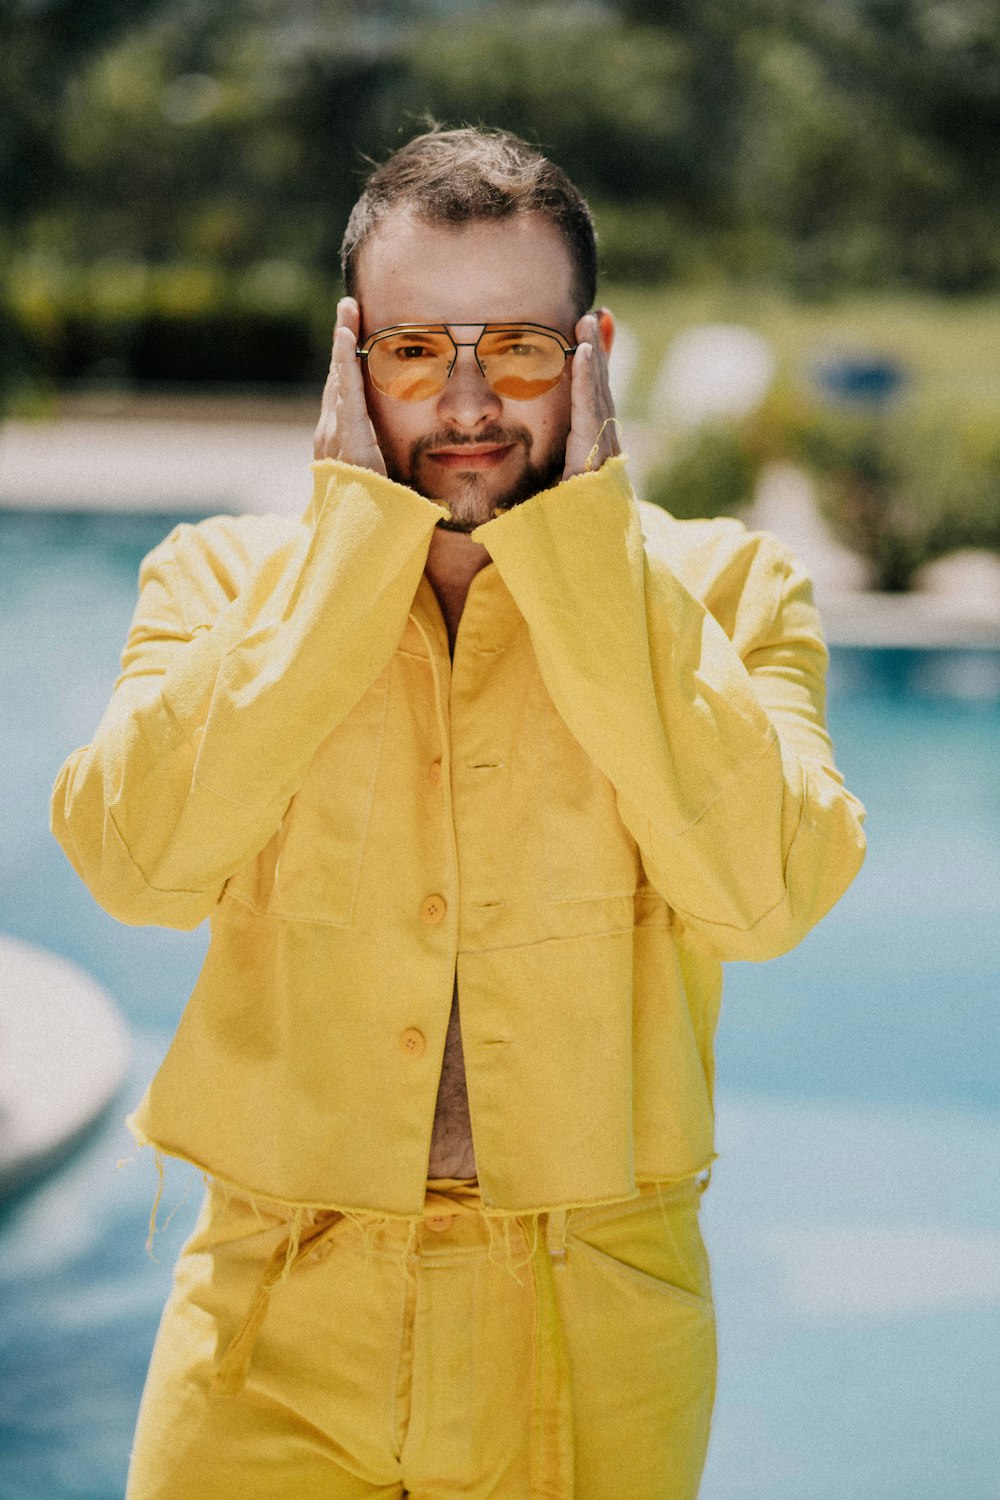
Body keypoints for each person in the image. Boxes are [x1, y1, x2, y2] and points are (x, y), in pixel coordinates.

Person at [51, 127, 866, 1500]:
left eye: (524, 350)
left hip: (594, 1328)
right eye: (418, 350)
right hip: (265, 1326)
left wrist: (589, 570)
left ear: (595, 349)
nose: (470, 401)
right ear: (352, 356)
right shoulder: (217, 584)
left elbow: (770, 897)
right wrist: (349, 553)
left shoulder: (731, 595)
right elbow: (135, 866)